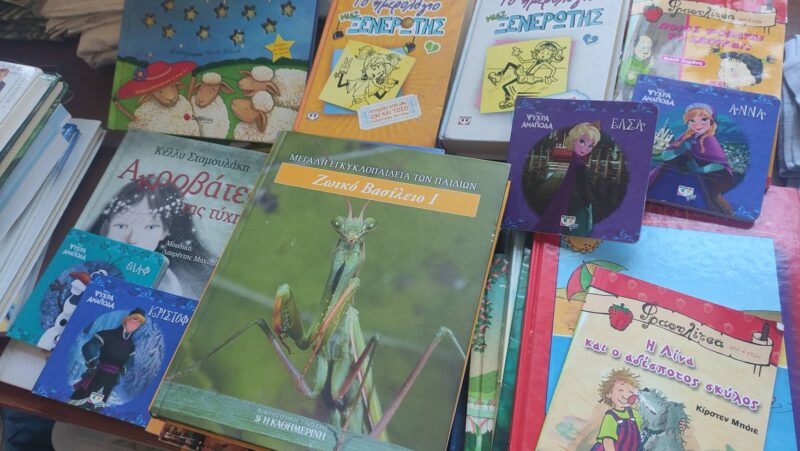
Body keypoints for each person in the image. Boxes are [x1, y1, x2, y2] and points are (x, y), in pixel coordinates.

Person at [88, 178, 213, 299]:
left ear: (164, 231)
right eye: (121, 226)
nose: (133, 239)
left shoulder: (168, 286)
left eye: (149, 227)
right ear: (105, 228)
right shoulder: (84, 265)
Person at [650, 103, 734, 215]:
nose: (697, 125)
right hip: (673, 174)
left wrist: (699, 170)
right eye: (692, 121)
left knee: (688, 198)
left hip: (694, 179)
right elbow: (665, 155)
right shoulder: (686, 137)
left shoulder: (710, 141)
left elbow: (720, 165)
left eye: (703, 120)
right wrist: (679, 150)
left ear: (711, 121)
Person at [68, 308, 145, 410]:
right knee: (79, 403)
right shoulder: (107, 334)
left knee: (95, 407)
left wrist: (122, 371)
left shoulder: (131, 346)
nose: (136, 323)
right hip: (97, 375)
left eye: (139, 322)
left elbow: (130, 361)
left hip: (110, 380)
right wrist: (93, 364)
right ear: (126, 319)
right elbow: (89, 347)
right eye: (134, 319)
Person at [534, 122, 602, 236]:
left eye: (590, 146)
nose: (585, 148)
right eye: (582, 141)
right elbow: (581, 188)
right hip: (575, 200)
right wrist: (586, 199)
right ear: (574, 139)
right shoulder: (579, 165)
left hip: (573, 199)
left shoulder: (578, 163)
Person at [488, 41, 565, 109]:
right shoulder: (535, 60)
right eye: (542, 52)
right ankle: (499, 77)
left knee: (506, 85)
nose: (543, 55)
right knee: (508, 71)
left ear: (551, 57)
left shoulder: (544, 62)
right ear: (538, 52)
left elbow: (553, 69)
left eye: (547, 54)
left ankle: (510, 99)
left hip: (528, 77)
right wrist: (517, 55)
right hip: (523, 74)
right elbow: (523, 61)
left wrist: (550, 76)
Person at [593, 368, 643, 451]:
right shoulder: (610, 417)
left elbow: (642, 433)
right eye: (620, 390)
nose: (626, 395)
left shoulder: (635, 414)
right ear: (609, 394)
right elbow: (608, 442)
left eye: (630, 391)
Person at [335, 45, 402, 107]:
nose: (375, 73)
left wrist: (386, 90)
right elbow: (340, 85)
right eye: (374, 68)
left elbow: (379, 96)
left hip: (362, 104)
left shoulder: (371, 84)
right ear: (369, 66)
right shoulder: (357, 80)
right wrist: (343, 71)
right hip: (354, 103)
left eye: (379, 74)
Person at [617, 35, 653, 99]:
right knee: (625, 97)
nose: (646, 51)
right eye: (643, 47)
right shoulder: (630, 60)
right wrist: (626, 76)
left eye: (648, 48)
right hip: (626, 84)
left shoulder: (641, 63)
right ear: (634, 47)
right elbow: (622, 70)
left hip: (635, 85)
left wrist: (650, 65)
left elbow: (643, 72)